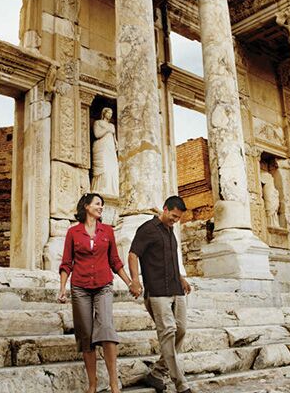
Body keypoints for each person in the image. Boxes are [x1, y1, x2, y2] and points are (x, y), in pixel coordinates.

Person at [58, 193, 133, 393]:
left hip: (103, 285)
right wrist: (62, 288)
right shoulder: (73, 232)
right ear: (86, 206)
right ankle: (92, 384)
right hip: (80, 287)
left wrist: (129, 282)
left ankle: (114, 383)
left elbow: (115, 260)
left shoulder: (107, 231)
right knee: (85, 335)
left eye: (102, 205)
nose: (101, 207)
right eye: (97, 204)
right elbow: (66, 262)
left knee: (107, 329)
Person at [128, 196, 193, 393]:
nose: (175, 220)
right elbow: (133, 254)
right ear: (165, 209)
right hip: (157, 291)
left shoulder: (170, 230)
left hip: (176, 288)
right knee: (168, 333)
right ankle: (181, 384)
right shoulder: (147, 229)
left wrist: (181, 278)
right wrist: (135, 280)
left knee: (181, 330)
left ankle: (156, 374)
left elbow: (171, 259)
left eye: (178, 218)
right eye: (173, 216)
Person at [91, 107, 119, 196]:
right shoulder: (98, 122)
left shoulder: (112, 125)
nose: (110, 115)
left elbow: (114, 137)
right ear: (104, 113)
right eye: (108, 113)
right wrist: (107, 129)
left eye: (111, 113)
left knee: (112, 167)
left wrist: (116, 144)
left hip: (110, 148)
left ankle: (112, 189)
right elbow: (97, 134)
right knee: (104, 167)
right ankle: (102, 188)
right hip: (102, 146)